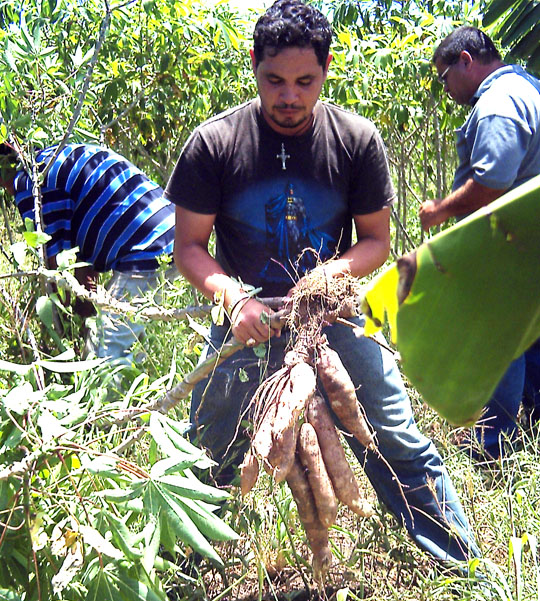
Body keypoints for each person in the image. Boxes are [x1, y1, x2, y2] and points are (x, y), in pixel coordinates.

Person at [165, 0, 479, 566]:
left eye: (304, 81)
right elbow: (189, 247)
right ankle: (186, 589)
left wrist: (333, 272)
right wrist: (232, 295)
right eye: (275, 80)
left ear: (327, 69)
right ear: (255, 67)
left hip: (332, 317)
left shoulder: (355, 140)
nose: (289, 96)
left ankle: (459, 570)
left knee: (396, 442)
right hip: (248, 323)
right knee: (202, 457)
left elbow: (376, 242)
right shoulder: (216, 144)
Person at [419, 26, 540, 459]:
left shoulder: (497, 104)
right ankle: (529, 432)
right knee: (529, 336)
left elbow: (491, 181)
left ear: (466, 61)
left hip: (514, 250)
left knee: (499, 342)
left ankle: (492, 450)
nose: (445, 87)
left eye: (445, 76)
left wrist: (442, 210)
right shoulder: (527, 86)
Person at [0, 142, 176, 366]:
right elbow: (85, 249)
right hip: (174, 232)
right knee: (135, 350)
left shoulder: (29, 185)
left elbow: (52, 272)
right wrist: (86, 313)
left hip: (146, 250)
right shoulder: (56, 156)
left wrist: (59, 340)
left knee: (102, 361)